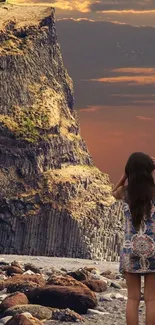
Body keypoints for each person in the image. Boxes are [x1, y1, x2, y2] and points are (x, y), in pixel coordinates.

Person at [113, 152, 155, 325]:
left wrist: (125, 174)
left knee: (133, 298)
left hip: (131, 249)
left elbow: (113, 191)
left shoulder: (125, 193)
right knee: (152, 300)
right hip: (154, 249)